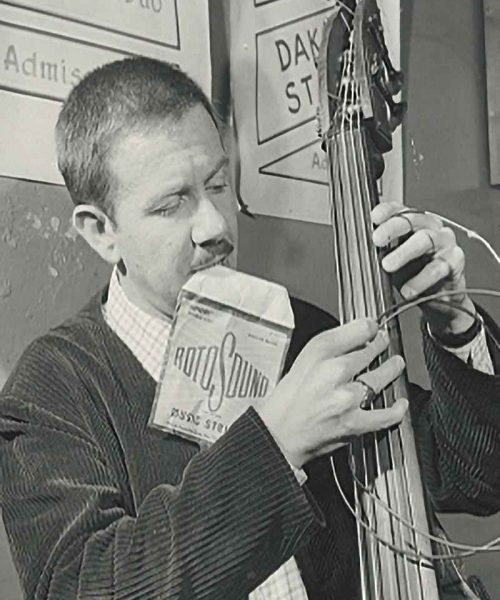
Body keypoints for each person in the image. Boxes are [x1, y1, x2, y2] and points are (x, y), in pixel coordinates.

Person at [0, 57, 498, 600]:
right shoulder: (50, 391)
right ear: (101, 231)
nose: (215, 225)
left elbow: (476, 479)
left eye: (218, 184)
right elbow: (84, 587)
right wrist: (277, 442)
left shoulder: (304, 333)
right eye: (170, 206)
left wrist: (455, 323)